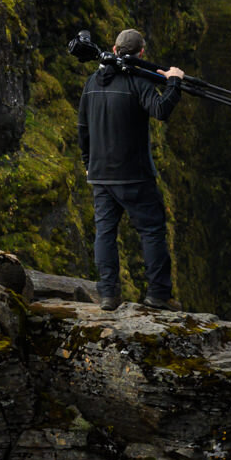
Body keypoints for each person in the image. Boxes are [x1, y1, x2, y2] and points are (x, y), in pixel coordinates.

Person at [77, 28, 184, 312]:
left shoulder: (91, 83)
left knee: (105, 233)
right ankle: (158, 295)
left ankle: (108, 295)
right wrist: (174, 82)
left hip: (100, 175)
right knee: (151, 231)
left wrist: (88, 164)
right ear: (142, 53)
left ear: (114, 50)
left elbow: (83, 129)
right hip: (134, 175)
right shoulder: (139, 82)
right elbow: (161, 111)